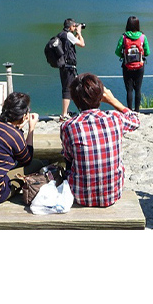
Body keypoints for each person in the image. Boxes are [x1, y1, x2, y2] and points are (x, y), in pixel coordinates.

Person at [60, 73, 140, 207]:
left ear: (74, 99)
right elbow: (135, 120)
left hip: (80, 196)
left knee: (66, 162)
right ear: (101, 96)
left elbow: (68, 157)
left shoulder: (69, 126)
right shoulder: (115, 119)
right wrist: (112, 100)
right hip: (113, 194)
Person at [115, 15, 150, 112]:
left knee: (129, 90)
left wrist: (124, 56)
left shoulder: (124, 37)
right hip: (139, 66)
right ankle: (137, 110)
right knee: (138, 89)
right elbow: (147, 52)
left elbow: (117, 52)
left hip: (127, 67)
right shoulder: (143, 37)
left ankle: (129, 111)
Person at [57, 18, 85, 121]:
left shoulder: (61, 35)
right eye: (74, 26)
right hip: (69, 66)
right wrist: (80, 33)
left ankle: (66, 111)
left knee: (68, 87)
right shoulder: (68, 35)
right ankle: (64, 114)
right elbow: (82, 44)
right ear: (70, 27)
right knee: (67, 89)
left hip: (63, 65)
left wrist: (75, 35)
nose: (75, 27)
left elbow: (71, 44)